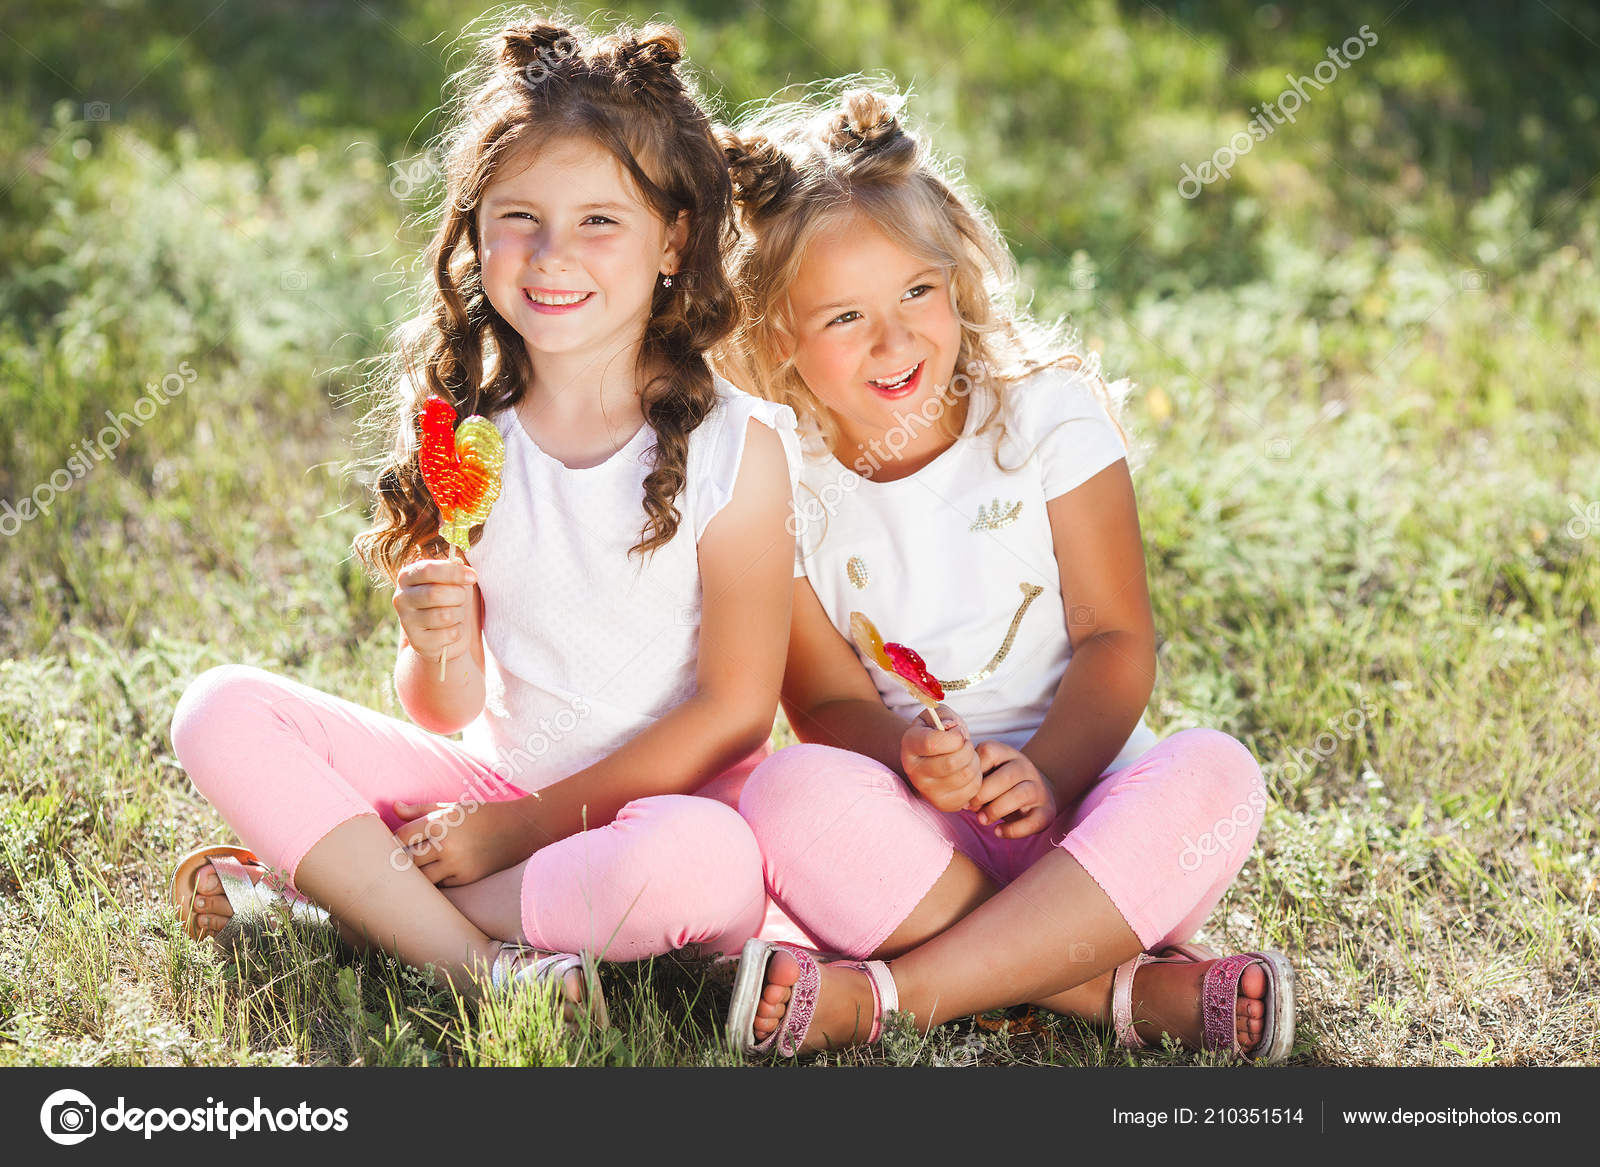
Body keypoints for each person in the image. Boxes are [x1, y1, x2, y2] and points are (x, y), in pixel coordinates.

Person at [167, 14, 800, 1025]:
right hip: (489, 790)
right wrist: (437, 646)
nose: (553, 257)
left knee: (709, 867)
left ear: (673, 239)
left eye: (601, 222)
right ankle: (480, 964)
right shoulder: (469, 435)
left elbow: (733, 714)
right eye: (519, 219)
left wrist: (515, 835)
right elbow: (440, 706)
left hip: (654, 821)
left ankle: (348, 911)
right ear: (474, 230)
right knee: (218, 709)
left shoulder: (740, 448)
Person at [711, 84, 1294, 1061]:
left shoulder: (1046, 416)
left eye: (915, 294)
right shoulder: (779, 483)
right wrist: (906, 760)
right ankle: (1126, 991)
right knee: (783, 794)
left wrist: (1050, 770)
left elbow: (1116, 641)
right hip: (924, 842)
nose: (893, 340)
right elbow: (818, 697)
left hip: (1094, 820)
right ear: (781, 341)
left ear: (956, 281)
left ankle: (889, 998)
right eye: (845, 317)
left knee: (1215, 774)